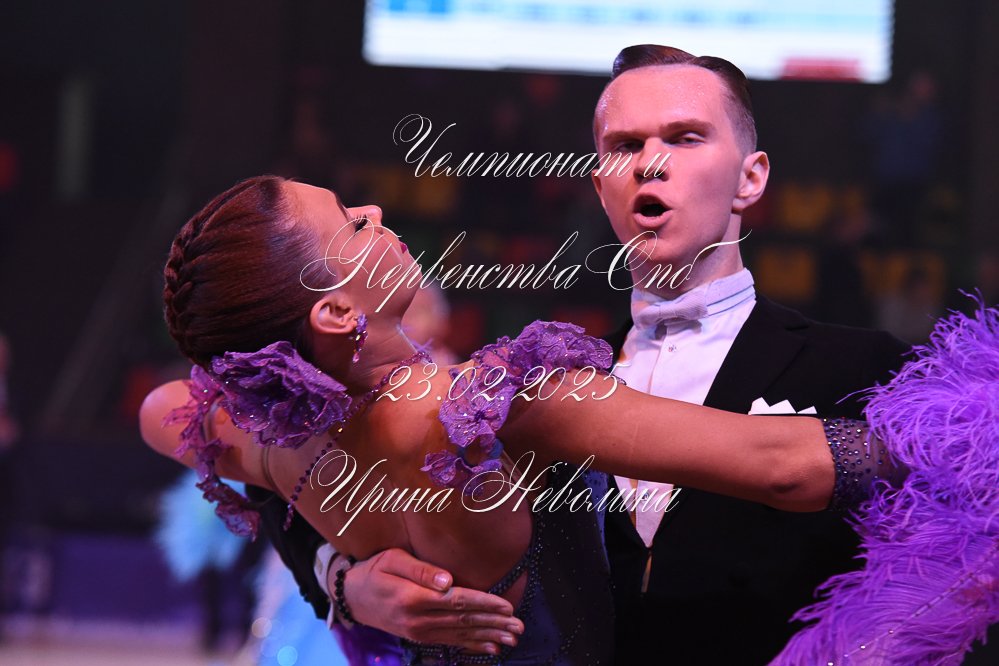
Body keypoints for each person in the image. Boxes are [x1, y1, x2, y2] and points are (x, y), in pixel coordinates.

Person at [256, 45, 912, 663]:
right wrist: (344, 581)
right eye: (625, 145)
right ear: (602, 189)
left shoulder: (865, 367)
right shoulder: (515, 389)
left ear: (750, 177)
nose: (650, 164)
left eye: (685, 138)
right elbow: (284, 469)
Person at [140, 175, 895, 664]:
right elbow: (782, 466)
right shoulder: (493, 407)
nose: (374, 211)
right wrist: (943, 433)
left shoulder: (275, 445)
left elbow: (157, 409)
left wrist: (341, 577)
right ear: (336, 313)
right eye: (351, 224)